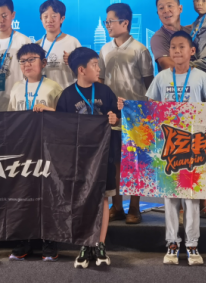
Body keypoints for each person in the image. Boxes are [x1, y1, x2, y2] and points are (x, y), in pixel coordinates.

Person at [146, 31, 206, 267]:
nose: (177, 51)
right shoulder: (161, 77)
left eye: (182, 47)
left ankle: (192, 244)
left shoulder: (201, 77)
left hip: (193, 147)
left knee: (191, 198)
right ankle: (172, 243)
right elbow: (150, 106)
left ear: (192, 51)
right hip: (169, 146)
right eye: (173, 47)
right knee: (170, 197)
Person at [58, 47, 120, 269]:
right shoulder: (67, 96)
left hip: (103, 156)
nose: (98, 68)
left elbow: (117, 117)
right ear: (81, 70)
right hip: (79, 159)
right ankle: (85, 243)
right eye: (94, 65)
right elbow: (60, 128)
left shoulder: (105, 91)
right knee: (81, 200)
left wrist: (114, 117)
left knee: (102, 199)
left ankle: (100, 244)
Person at [99, 3, 154, 225]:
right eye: (106, 22)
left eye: (110, 21)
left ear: (125, 23)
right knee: (114, 162)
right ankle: (117, 206)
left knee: (134, 163)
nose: (107, 25)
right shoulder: (104, 49)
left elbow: (150, 84)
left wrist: (148, 113)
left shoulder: (140, 50)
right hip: (112, 113)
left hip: (136, 115)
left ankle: (134, 207)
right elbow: (100, 82)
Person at [8, 43, 62, 262]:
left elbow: (64, 118)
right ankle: (24, 241)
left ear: (43, 62)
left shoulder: (53, 88)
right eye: (22, 61)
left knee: (48, 195)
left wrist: (49, 111)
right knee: (23, 195)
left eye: (32, 59)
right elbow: (11, 118)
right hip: (22, 148)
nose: (27, 64)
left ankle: (50, 241)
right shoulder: (16, 88)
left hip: (47, 148)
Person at [38, 0, 82, 89]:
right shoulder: (37, 45)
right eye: (45, 16)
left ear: (62, 19)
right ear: (41, 19)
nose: (49, 20)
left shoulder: (73, 42)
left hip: (68, 92)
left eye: (54, 16)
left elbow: (84, 70)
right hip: (44, 93)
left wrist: (73, 61)